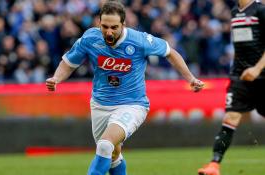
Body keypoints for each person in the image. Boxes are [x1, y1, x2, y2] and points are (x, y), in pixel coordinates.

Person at [46, 1, 204, 175]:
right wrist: (56, 78)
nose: (109, 32)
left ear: (123, 24)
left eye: (114, 27)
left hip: (132, 104)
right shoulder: (90, 38)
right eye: (104, 26)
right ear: (99, 23)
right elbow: (69, 62)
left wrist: (190, 78)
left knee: (105, 144)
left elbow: (170, 52)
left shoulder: (139, 41)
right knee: (112, 154)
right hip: (100, 104)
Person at [198, 0, 265, 175]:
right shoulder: (235, 11)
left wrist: (257, 69)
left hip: (262, 75)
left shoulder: (260, 10)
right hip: (240, 76)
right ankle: (214, 165)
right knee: (231, 116)